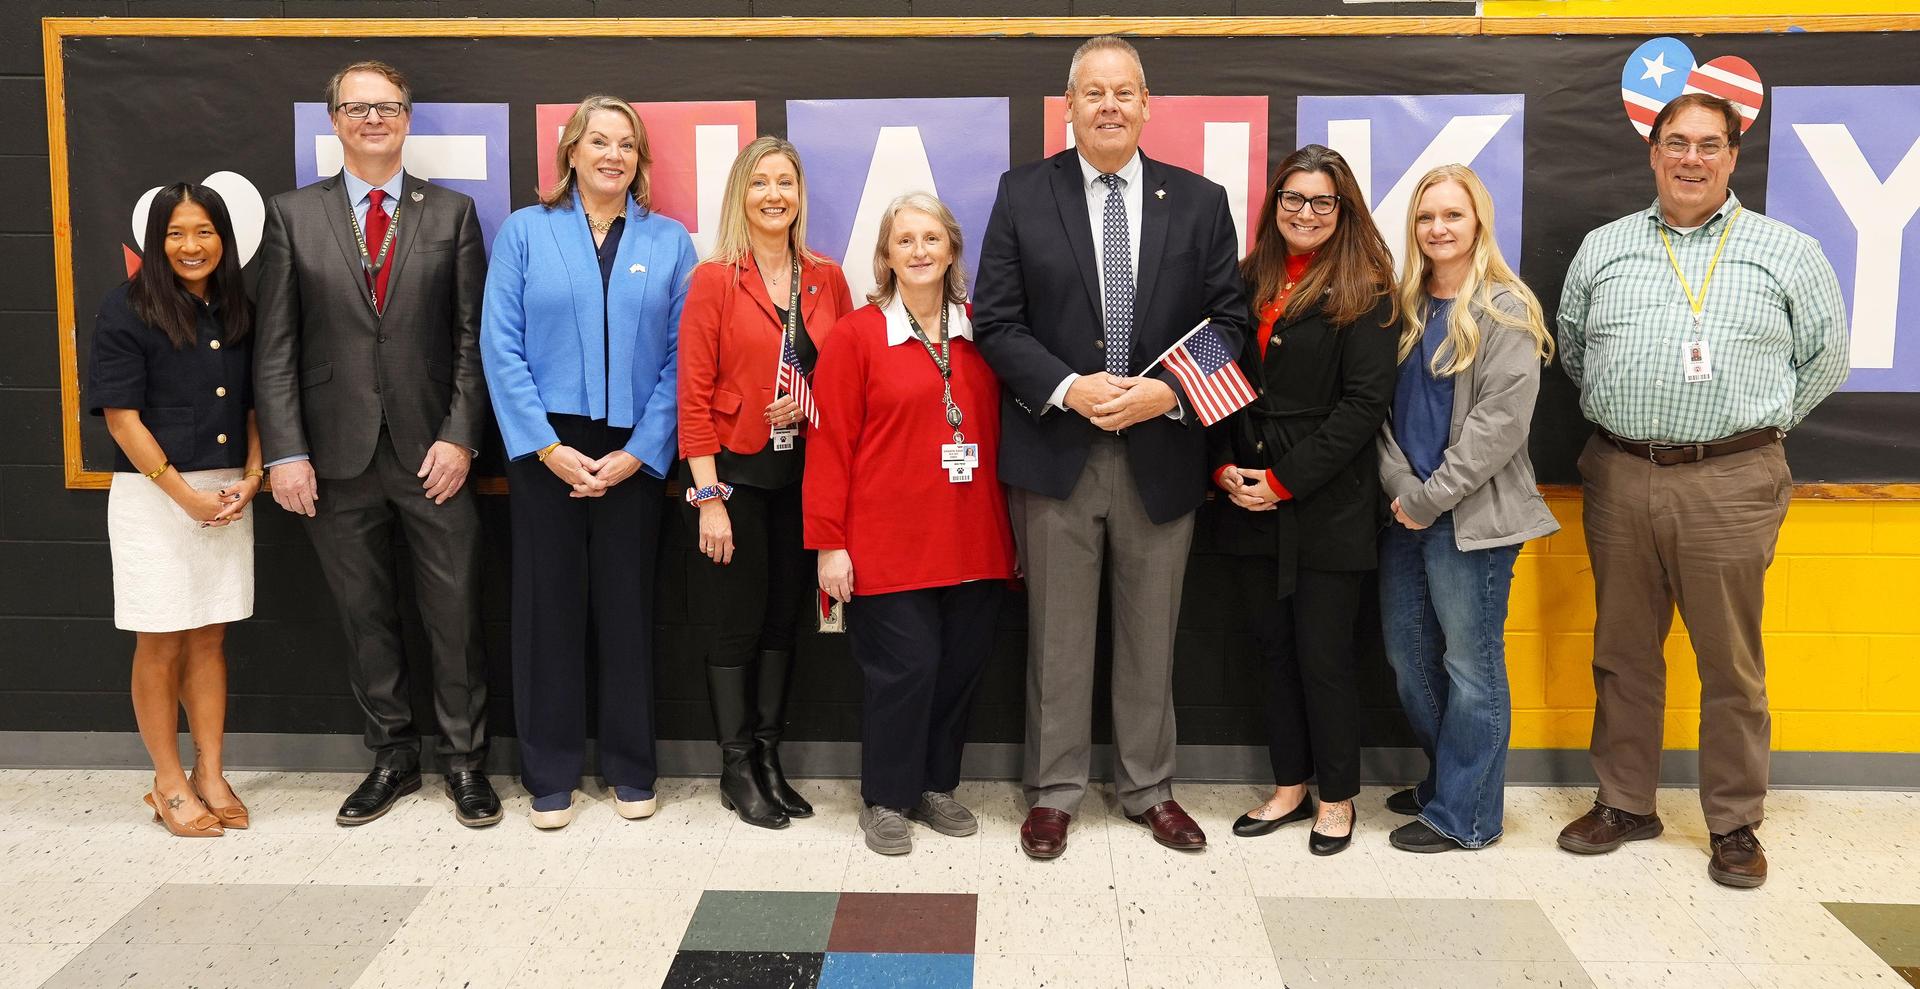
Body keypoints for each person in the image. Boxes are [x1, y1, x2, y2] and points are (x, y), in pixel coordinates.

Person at [1556, 92, 1849, 888]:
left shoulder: (1785, 251)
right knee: (1622, 651)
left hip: (1732, 477)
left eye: (1709, 145)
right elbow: (1575, 348)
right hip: (1620, 472)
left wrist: (1759, 424)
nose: (1692, 158)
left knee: (1731, 661)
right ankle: (1624, 801)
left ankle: (1733, 822)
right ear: (1653, 153)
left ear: (1732, 156)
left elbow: (1827, 357)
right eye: (1677, 142)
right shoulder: (1605, 248)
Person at [974, 35, 1247, 859]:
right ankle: (1053, 793)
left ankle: (1148, 787)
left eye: (1124, 92)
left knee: (1150, 632)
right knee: (1055, 638)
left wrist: (1167, 392)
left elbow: (1231, 324)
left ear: (1147, 104)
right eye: (1093, 93)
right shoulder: (1023, 194)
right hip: (1058, 447)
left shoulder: (1199, 202)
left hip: (1161, 453)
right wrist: (1069, 387)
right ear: (1068, 107)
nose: (1109, 106)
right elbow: (997, 321)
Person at [253, 60, 499, 828]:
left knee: (454, 613)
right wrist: (286, 451)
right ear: (334, 120)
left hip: (435, 456)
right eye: (356, 107)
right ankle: (392, 754)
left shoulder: (453, 214)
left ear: (407, 117)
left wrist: (461, 437)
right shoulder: (292, 215)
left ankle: (464, 763)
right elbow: (275, 349)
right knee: (365, 614)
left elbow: (473, 340)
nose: (372, 118)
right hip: (334, 458)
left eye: (386, 106)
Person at [481, 96, 695, 829]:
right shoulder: (525, 232)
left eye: (626, 144)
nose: (613, 155)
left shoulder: (669, 241)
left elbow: (682, 358)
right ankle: (549, 772)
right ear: (570, 151)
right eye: (598, 141)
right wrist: (545, 445)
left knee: (628, 609)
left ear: (639, 160)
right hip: (546, 447)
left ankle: (632, 766)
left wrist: (642, 452)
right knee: (549, 609)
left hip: (636, 450)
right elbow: (498, 347)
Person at [806, 193, 1017, 856]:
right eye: (906, 240)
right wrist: (829, 544)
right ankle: (886, 797)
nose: (921, 250)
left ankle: (935, 785)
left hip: (975, 538)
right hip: (885, 544)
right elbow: (831, 443)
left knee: (959, 665)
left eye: (932, 238)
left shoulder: (987, 333)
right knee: (907, 666)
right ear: (887, 256)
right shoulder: (856, 336)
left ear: (952, 249)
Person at [1211, 145, 1396, 856]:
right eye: (1293, 198)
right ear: (1274, 203)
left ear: (1343, 209)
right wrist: (1222, 466)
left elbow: (1362, 407)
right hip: (1244, 493)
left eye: (1322, 201)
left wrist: (1284, 482)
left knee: (1325, 655)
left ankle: (1337, 796)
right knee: (1273, 652)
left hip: (1326, 503)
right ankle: (1289, 785)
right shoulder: (1245, 277)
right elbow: (1216, 373)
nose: (1306, 213)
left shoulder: (1368, 287)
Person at [1375, 164, 1559, 854]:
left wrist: (1429, 499)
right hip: (1405, 513)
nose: (1438, 228)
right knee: (1408, 658)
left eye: (1453, 215)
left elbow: (1497, 428)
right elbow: (1381, 418)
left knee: (1472, 666)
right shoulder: (1404, 306)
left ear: (1478, 221)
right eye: (1426, 217)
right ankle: (1448, 779)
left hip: (1471, 520)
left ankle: (1469, 814)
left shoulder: (1506, 309)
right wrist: (1403, 490)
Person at [677, 136, 855, 829]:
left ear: (800, 195)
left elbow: (844, 376)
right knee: (734, 625)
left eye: (786, 182)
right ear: (740, 196)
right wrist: (708, 496)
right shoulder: (716, 278)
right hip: (736, 477)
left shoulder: (826, 277)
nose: (775, 195)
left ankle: (771, 756)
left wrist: (808, 393)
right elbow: (692, 398)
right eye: (761, 183)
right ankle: (735, 763)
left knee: (785, 621)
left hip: (804, 478)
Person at [88, 182, 262, 838]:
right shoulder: (127, 309)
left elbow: (252, 405)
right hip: (155, 497)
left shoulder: (237, 307)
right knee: (159, 639)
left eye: (205, 232)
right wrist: (183, 494)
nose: (192, 246)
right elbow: (121, 418)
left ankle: (210, 771)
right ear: (156, 242)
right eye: (177, 234)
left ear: (224, 238)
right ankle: (166, 780)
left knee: (211, 635)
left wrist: (252, 474)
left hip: (225, 492)